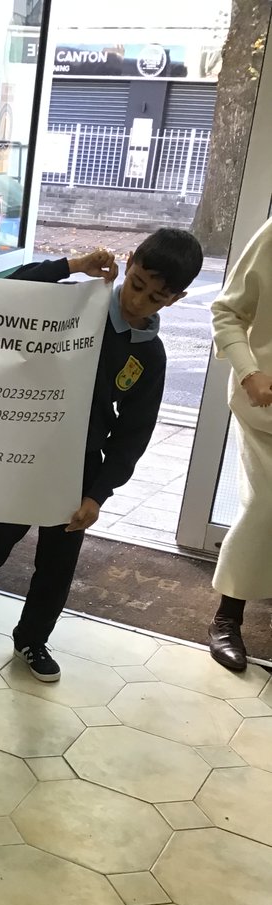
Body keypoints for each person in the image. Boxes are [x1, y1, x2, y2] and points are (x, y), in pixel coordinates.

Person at [0, 228, 204, 680]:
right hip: (23, 452)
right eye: (137, 284)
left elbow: (133, 434)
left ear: (176, 299)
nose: (138, 300)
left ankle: (32, 638)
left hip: (79, 469)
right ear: (129, 264)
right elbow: (8, 293)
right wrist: (72, 266)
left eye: (156, 298)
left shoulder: (150, 356)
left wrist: (98, 494)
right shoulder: (77, 305)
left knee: (57, 564)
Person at [207, 215, 272, 671]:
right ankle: (227, 616)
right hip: (265, 407)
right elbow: (227, 310)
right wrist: (249, 372)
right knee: (264, 507)